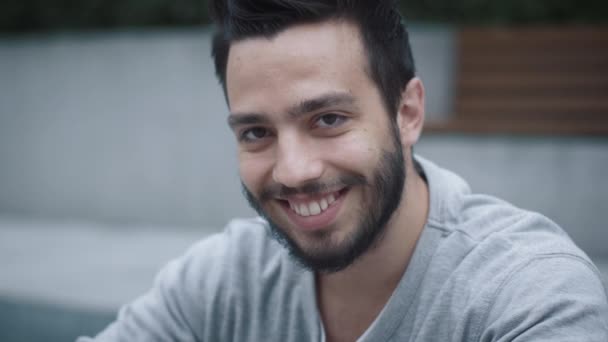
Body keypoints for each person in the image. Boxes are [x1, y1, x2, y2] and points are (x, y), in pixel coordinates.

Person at [79, 1, 608, 341]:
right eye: (256, 132)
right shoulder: (224, 282)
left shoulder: (526, 298)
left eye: (328, 119)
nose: (294, 171)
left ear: (408, 113)